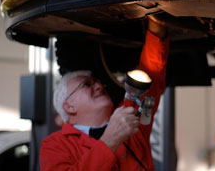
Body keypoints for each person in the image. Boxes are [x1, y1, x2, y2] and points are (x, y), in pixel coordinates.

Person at [39, 16, 170, 171]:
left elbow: (150, 76)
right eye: (86, 84)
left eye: (97, 82)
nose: (99, 86)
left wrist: (157, 30)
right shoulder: (55, 145)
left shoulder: (129, 116)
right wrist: (110, 139)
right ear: (69, 106)